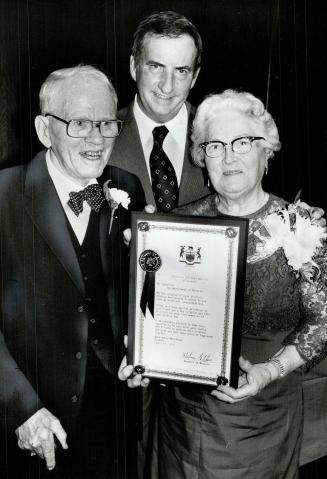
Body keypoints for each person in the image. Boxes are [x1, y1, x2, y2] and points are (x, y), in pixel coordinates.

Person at [121, 89, 327, 478]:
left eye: (243, 142)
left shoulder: (305, 226)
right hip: (182, 422)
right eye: (215, 145)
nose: (229, 156)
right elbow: (153, 313)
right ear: (202, 157)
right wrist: (140, 355)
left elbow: (324, 322)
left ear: (267, 151)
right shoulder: (175, 224)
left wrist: (270, 370)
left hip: (264, 415)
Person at [0, 64, 146, 479]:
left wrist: (142, 352)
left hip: (114, 412)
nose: (97, 139)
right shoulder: (3, 198)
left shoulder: (126, 188)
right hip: (36, 422)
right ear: (45, 130)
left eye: (106, 123)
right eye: (81, 123)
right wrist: (22, 411)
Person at [109, 10, 210, 210]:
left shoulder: (218, 137)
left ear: (195, 77)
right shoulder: (101, 136)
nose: (167, 86)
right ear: (134, 66)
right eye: (156, 67)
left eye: (181, 71)